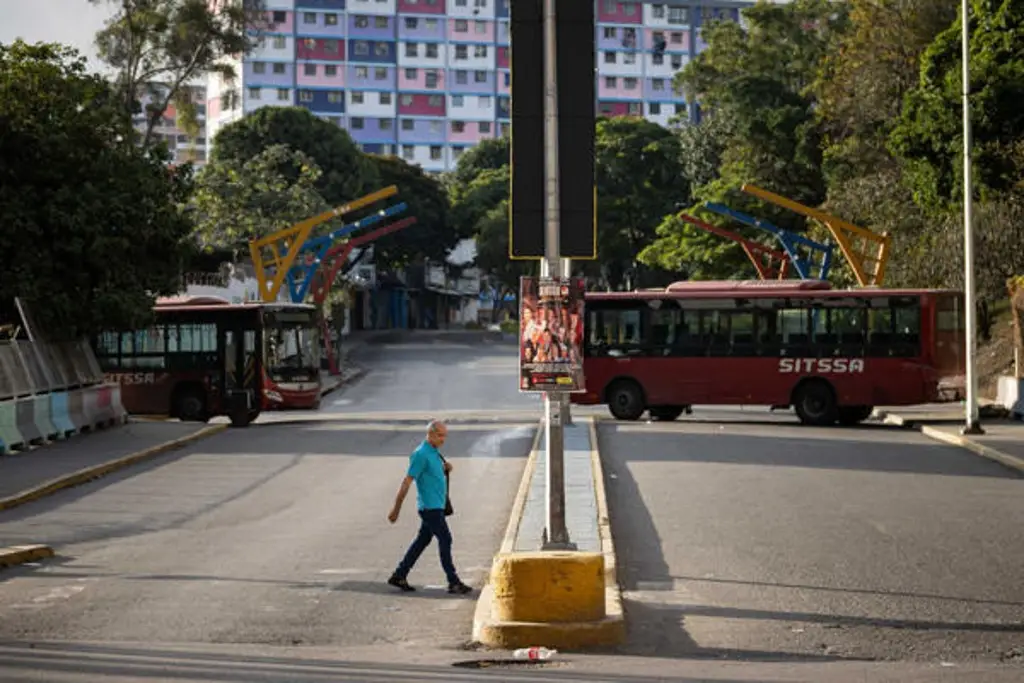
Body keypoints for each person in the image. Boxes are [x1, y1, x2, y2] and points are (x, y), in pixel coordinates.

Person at [387, 420, 472, 594]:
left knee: (422, 541)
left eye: (445, 435)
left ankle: (399, 574)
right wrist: (396, 508)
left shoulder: (434, 452)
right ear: (430, 434)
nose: (443, 439)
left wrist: (445, 469)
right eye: (440, 435)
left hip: (437, 506)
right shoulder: (420, 454)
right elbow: (407, 481)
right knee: (445, 539)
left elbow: (432, 475)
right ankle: (453, 581)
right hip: (429, 508)